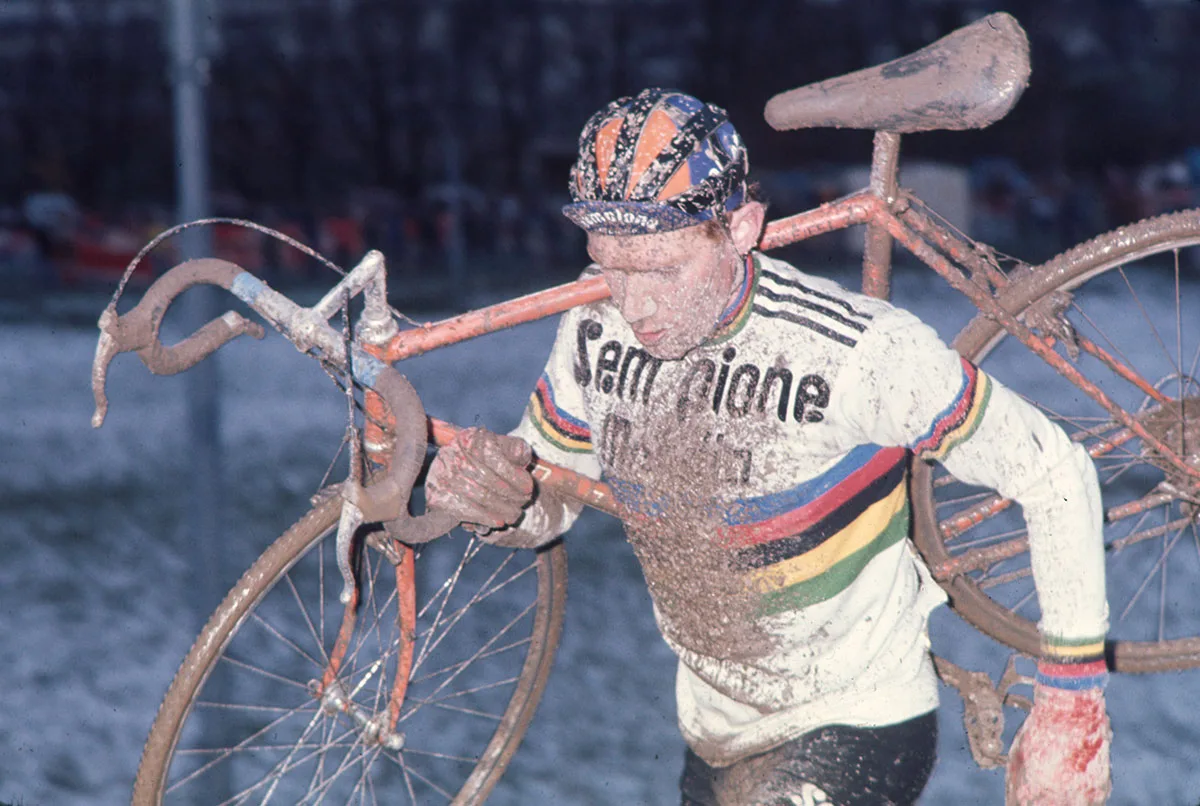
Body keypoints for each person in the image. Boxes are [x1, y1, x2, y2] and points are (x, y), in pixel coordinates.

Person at [426, 88, 1111, 805]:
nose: (635, 304)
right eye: (610, 264)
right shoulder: (593, 324)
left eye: (661, 270)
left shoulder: (856, 353)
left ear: (743, 227)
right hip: (716, 730)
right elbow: (548, 504)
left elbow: (1056, 474)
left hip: (857, 719)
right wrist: (494, 500)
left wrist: (1072, 705)